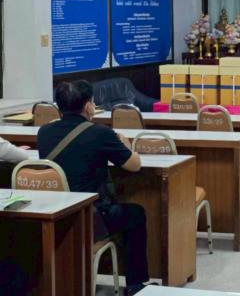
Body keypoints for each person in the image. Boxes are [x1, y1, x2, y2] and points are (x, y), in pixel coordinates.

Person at [37, 81, 153, 296]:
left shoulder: (44, 132)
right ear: (89, 106)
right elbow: (134, 165)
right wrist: (126, 146)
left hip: (56, 213)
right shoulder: (101, 133)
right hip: (89, 217)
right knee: (136, 213)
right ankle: (135, 284)